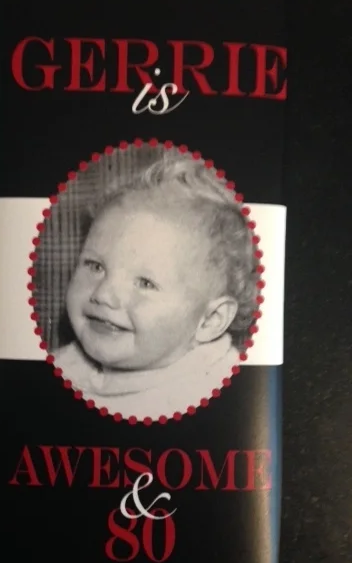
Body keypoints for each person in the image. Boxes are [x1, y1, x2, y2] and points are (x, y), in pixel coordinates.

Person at [52, 155, 258, 419]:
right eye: (95, 266)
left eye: (145, 283)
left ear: (210, 320)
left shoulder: (222, 393)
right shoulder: (65, 365)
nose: (103, 295)